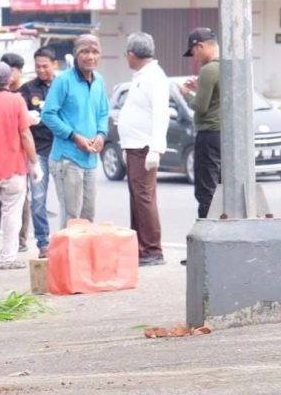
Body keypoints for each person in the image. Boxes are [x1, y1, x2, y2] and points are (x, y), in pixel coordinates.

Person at [0, 62, 41, 271]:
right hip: (13, 168)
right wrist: (35, 163)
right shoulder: (16, 100)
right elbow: (25, 134)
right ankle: (8, 259)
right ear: (8, 80)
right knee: (12, 216)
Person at [42, 34, 109, 223]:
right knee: (72, 217)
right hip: (67, 159)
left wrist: (101, 135)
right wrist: (73, 136)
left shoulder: (99, 81)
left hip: (90, 159)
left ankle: (83, 254)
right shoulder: (64, 80)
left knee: (88, 216)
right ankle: (67, 254)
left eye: (95, 52)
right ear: (76, 55)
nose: (90, 56)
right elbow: (48, 115)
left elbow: (104, 113)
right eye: (85, 52)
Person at [119, 32, 170, 267]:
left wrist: (156, 148)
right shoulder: (143, 75)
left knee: (144, 198)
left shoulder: (154, 77)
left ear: (131, 55)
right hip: (134, 147)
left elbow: (161, 114)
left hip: (144, 147)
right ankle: (140, 247)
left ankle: (152, 249)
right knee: (138, 199)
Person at [19, 47, 57, 258]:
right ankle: (43, 243)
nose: (41, 70)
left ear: (55, 65)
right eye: (38, 67)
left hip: (62, 150)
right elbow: (19, 117)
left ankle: (69, 241)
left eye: (45, 66)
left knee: (67, 200)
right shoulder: (27, 89)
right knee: (38, 199)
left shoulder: (62, 86)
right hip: (38, 151)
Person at [180, 27, 221, 221]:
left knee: (206, 189)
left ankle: (206, 230)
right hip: (224, 135)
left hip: (208, 133)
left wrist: (186, 94)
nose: (194, 57)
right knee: (221, 185)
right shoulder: (226, 67)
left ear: (201, 46)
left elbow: (201, 106)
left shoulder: (208, 69)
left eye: (194, 52)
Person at [0, 52, 30, 253]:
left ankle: (21, 239)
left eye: (11, 71)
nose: (8, 75)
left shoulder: (26, 92)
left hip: (20, 152)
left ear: (19, 71)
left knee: (22, 201)